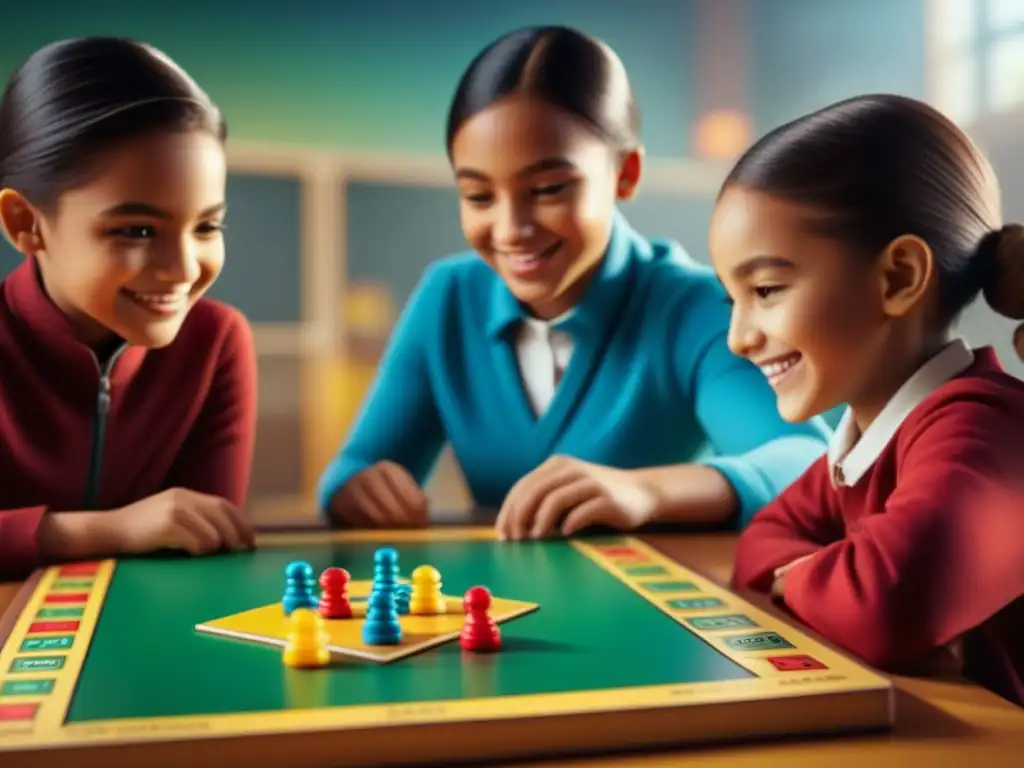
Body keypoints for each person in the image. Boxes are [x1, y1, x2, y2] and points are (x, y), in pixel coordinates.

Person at [317, 26, 830, 540]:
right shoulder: (448, 297)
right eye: (478, 196)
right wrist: (356, 487)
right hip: (494, 606)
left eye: (549, 189)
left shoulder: (694, 306)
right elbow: (354, 466)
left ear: (625, 173)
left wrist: (645, 492)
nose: (512, 229)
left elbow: (807, 464)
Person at [715, 94, 1024, 705]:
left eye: (768, 289)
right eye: (733, 300)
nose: (738, 338)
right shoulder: (870, 436)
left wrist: (804, 576)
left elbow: (887, 606)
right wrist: (828, 579)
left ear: (899, 277)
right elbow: (760, 542)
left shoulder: (983, 432)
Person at [0, 37, 257, 580]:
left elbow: (204, 536)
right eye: (137, 230)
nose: (184, 268)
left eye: (207, 226)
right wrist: (112, 529)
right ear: (25, 223)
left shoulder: (216, 342)